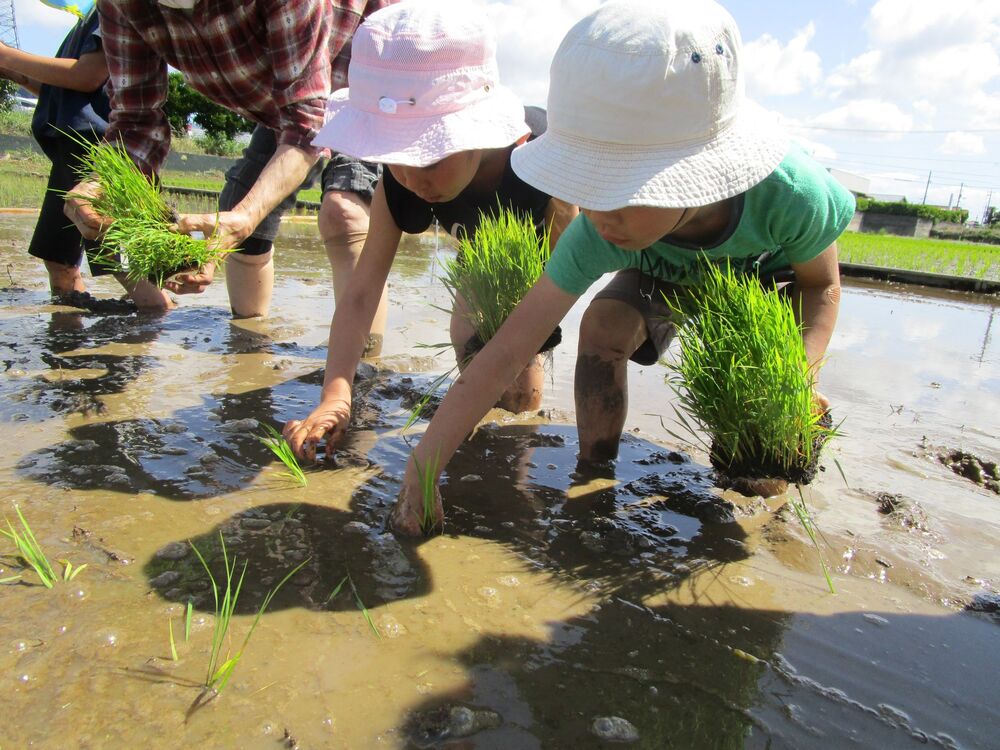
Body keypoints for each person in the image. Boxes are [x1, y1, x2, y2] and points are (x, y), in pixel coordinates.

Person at [389, 0, 856, 535]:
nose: (595, 211)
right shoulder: (605, 225)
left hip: (764, 284)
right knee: (604, 327)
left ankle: (762, 519)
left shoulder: (790, 194)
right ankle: (593, 471)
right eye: (585, 185)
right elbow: (507, 349)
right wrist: (423, 464)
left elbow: (821, 286)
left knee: (757, 451)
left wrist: (795, 376)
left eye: (619, 186)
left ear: (696, 168)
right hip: (662, 270)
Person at [282, 1, 577, 461]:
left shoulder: (543, 163)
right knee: (467, 335)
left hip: (538, 254)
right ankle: (475, 430)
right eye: (394, 155)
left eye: (430, 156)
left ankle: (517, 445)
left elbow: (564, 270)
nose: (413, 177)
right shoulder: (400, 184)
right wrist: (336, 393)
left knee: (519, 380)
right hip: (478, 246)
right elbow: (360, 295)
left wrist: (527, 341)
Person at [63, 0, 394, 317]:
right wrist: (102, 181)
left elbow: (304, 126)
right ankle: (248, 346)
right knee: (238, 206)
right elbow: (136, 122)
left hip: (363, 74)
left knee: (344, 213)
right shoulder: (122, 5)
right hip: (283, 97)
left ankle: (362, 369)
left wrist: (245, 217)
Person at [0, 7, 171, 308]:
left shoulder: (116, 8)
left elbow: (87, 76)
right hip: (72, 144)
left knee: (123, 264)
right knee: (59, 260)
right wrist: (14, 70)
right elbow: (62, 90)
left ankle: (160, 329)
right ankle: (67, 339)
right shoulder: (91, 14)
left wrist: (6, 56)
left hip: (96, 147)